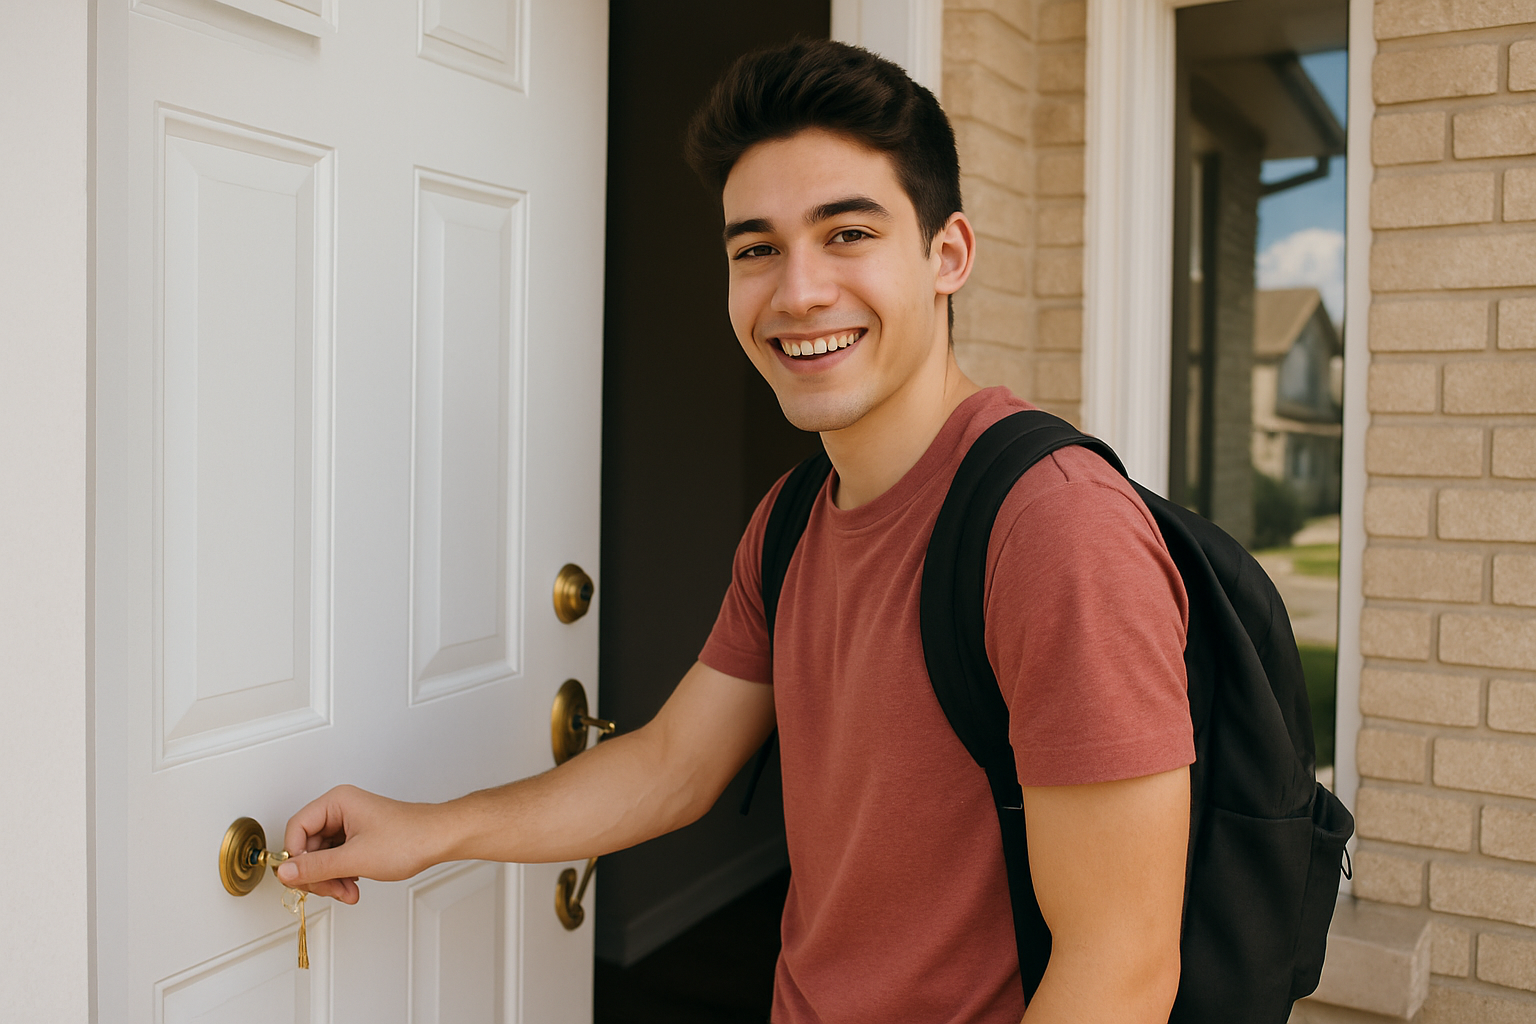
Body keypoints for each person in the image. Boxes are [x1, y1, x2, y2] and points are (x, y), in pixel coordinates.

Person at [278, 39, 1194, 1023]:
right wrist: (429, 829)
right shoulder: (795, 515)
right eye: (757, 248)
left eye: (847, 234)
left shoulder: (1054, 527)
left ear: (947, 255)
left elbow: (1123, 967)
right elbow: (675, 762)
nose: (797, 291)